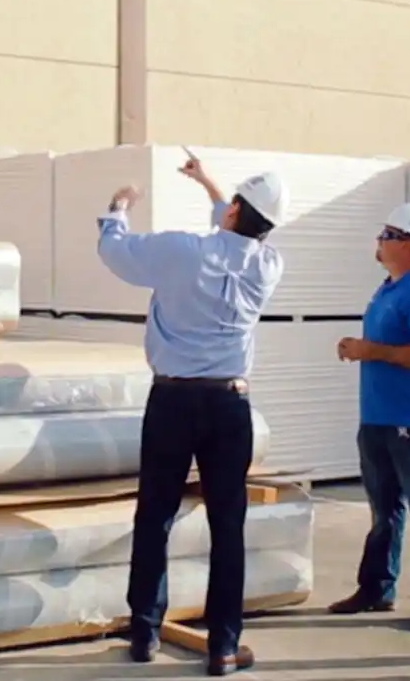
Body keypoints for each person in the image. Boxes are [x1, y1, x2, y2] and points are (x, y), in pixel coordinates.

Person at [96, 154, 289, 677]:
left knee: (155, 513)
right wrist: (207, 181)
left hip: (174, 401)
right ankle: (224, 646)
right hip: (231, 406)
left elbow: (114, 251)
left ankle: (145, 631)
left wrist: (118, 206)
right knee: (229, 525)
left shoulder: (180, 251)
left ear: (233, 215)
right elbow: (238, 226)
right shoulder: (268, 266)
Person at [328, 202, 410, 631]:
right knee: (384, 510)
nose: (379, 242)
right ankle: (376, 588)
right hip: (379, 417)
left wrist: (372, 351)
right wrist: (359, 349)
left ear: (409, 244)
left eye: (387, 235)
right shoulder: (388, 288)